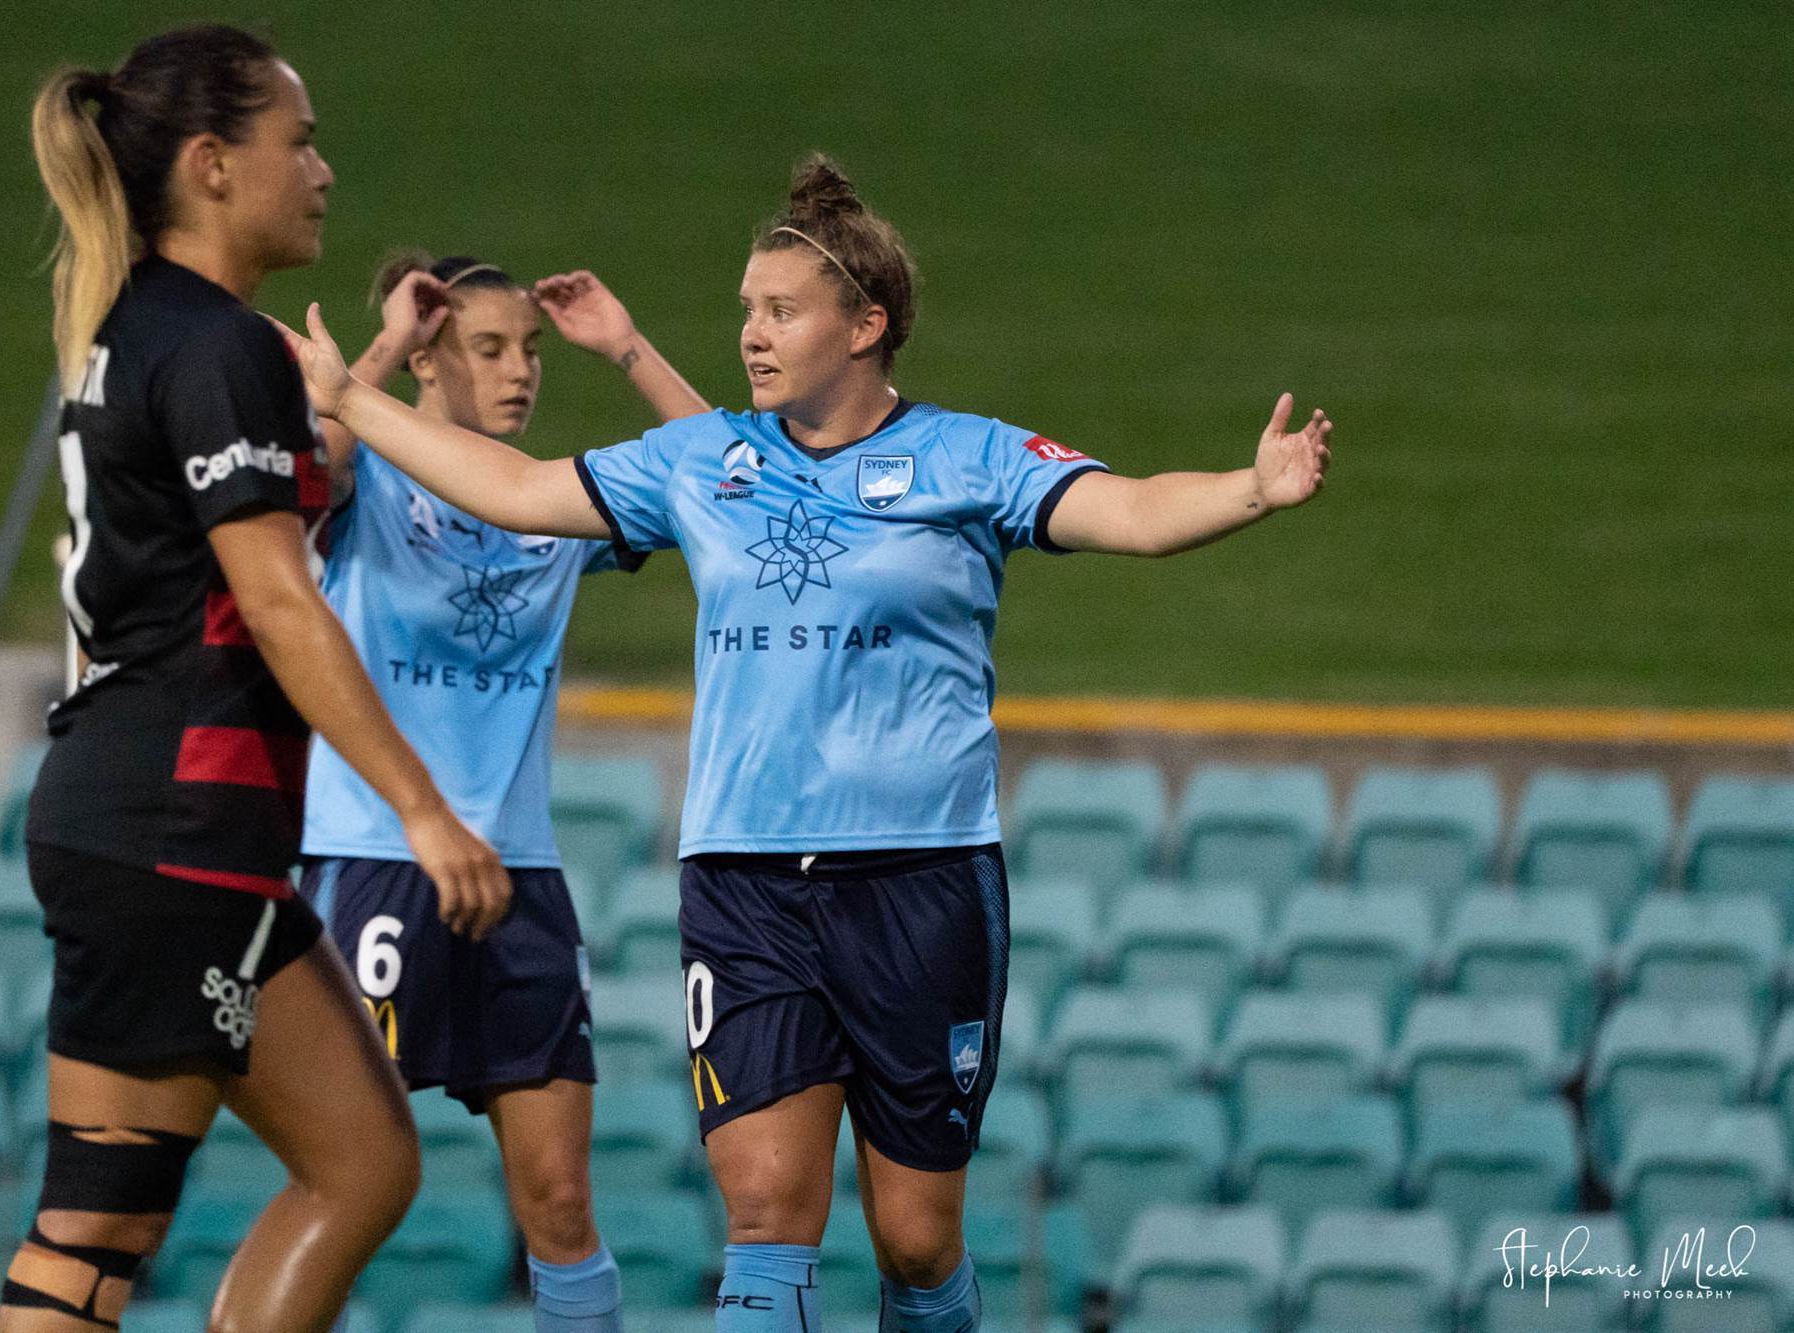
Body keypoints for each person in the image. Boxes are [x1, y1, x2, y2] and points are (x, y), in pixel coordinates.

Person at [275, 152, 1334, 1332]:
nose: (751, 334)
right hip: (743, 882)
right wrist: (351, 396)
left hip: (920, 878)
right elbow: (519, 490)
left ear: (864, 324)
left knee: (915, 1239)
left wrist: (1252, 486)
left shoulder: (966, 457)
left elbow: (1130, 512)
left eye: (778, 310)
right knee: (767, 1211)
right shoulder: (704, 460)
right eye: (744, 311)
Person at [6, 25, 509, 1333]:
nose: (324, 170)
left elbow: (283, 493)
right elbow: (280, 601)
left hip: (151, 822)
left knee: (358, 1161)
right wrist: (422, 807)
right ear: (216, 166)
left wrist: (374, 367)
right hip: (176, 826)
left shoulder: (143, 329)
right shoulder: (218, 344)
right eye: (302, 142)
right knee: (100, 1224)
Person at [298, 252, 706, 1332]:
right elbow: (302, 467)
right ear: (430, 357)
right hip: (377, 855)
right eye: (488, 347)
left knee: (561, 1199)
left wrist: (623, 345)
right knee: (347, 1182)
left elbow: (723, 481)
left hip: (520, 874)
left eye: (527, 349)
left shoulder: (550, 501)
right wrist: (377, 349)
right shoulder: (370, 479)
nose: (519, 371)